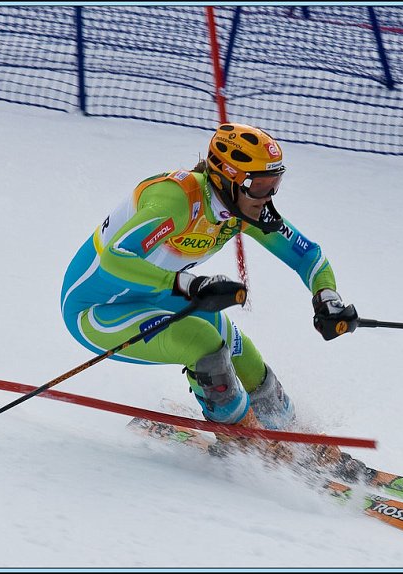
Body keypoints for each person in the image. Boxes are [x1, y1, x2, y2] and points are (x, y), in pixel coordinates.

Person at [60, 123, 361, 478]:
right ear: (228, 179)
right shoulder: (176, 200)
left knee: (244, 358)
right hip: (98, 310)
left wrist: (326, 297)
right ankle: (241, 445)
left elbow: (307, 255)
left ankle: (294, 441)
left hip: (156, 296)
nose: (268, 196)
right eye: (261, 186)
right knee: (204, 343)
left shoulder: (242, 208)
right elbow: (116, 258)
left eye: (274, 185)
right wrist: (189, 284)